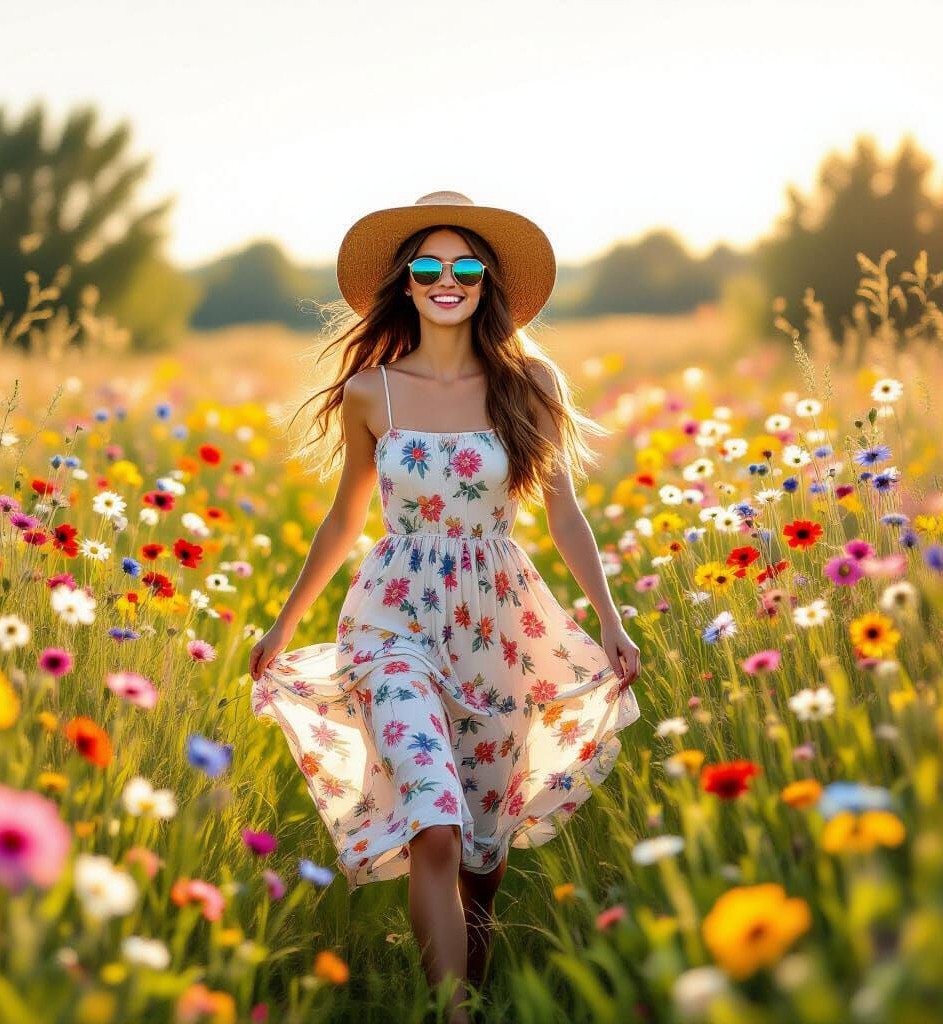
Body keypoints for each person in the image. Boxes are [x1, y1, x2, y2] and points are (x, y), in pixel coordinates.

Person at [248, 190, 642, 1023]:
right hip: (392, 619)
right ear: (407, 283)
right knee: (432, 814)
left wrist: (608, 618)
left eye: (466, 266)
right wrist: (284, 623)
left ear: (487, 281)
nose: (447, 279)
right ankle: (450, 1016)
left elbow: (563, 512)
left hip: (499, 622)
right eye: (429, 266)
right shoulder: (371, 392)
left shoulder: (529, 381)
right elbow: (346, 517)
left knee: (481, 854)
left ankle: (473, 975)